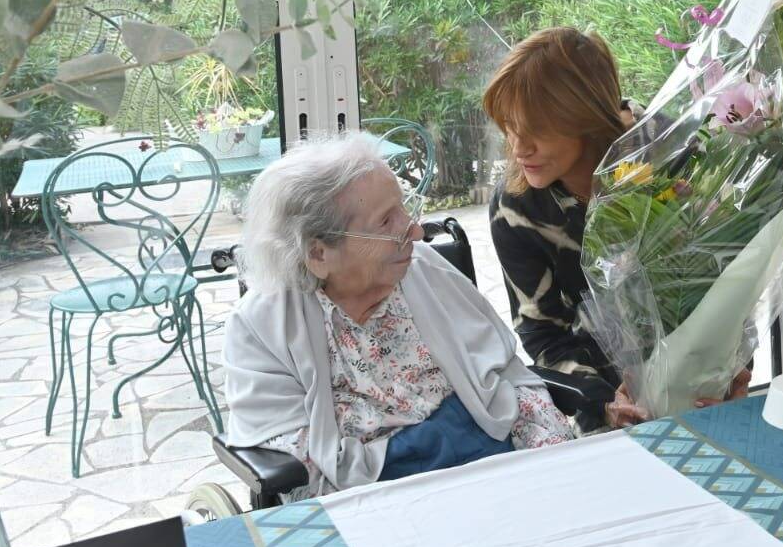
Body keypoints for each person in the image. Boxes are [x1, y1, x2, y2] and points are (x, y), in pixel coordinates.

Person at [223, 134, 570, 501]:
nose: (417, 231)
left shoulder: (427, 270)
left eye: (404, 210)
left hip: (491, 468)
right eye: (387, 221)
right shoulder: (261, 327)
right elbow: (297, 470)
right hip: (376, 498)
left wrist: (555, 465)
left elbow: (511, 382)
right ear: (319, 253)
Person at [483, 27, 750, 433]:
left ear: (583, 115)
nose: (519, 148)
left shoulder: (673, 152)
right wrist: (604, 402)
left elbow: (731, 279)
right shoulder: (516, 208)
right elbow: (543, 333)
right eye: (510, 127)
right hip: (612, 418)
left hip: (705, 392)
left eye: (536, 128)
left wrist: (734, 369)